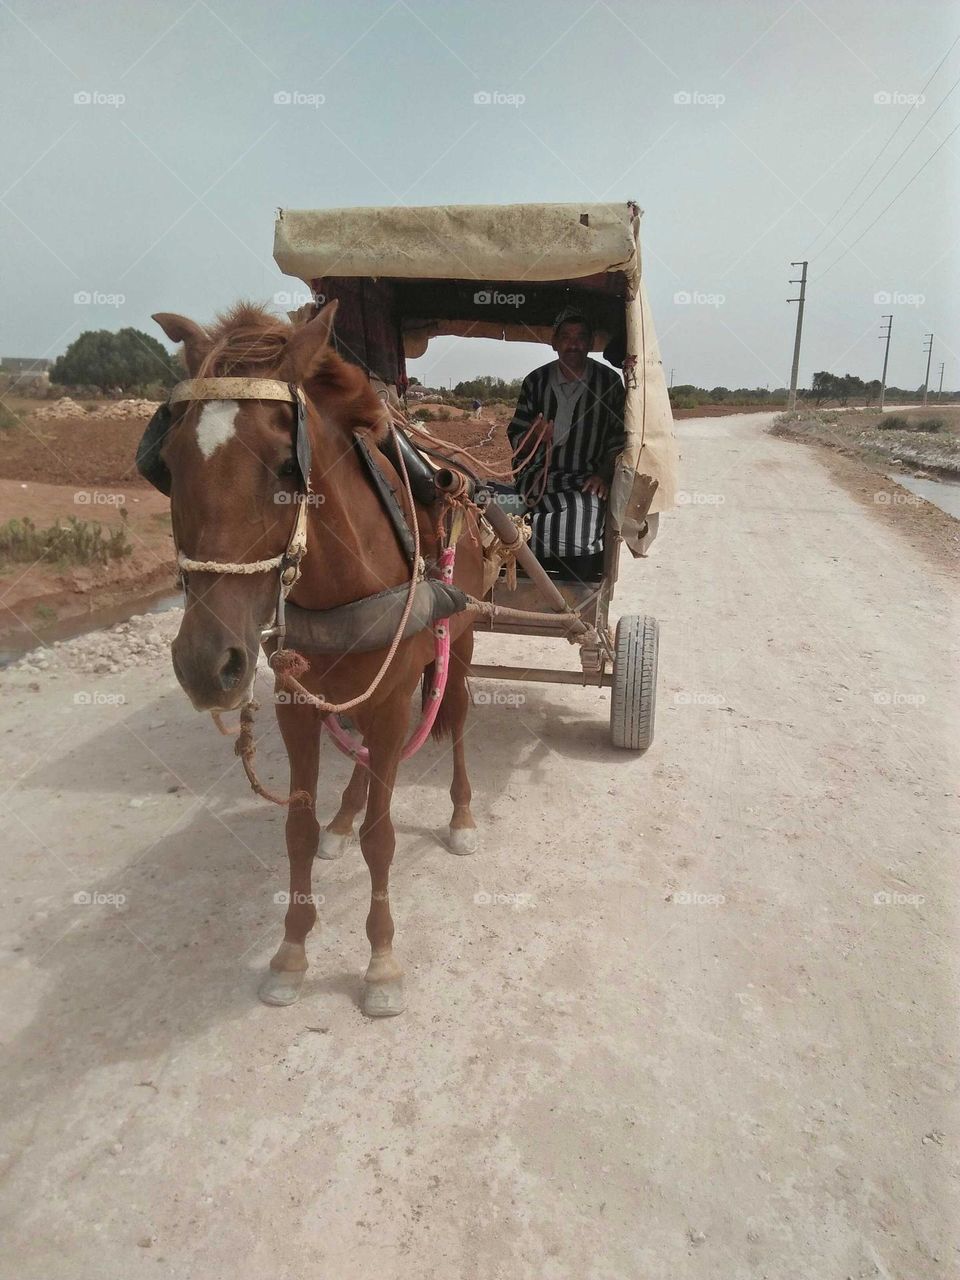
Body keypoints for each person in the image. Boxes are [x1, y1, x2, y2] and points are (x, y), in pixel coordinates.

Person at [506, 308, 625, 574]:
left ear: (591, 343)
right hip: (539, 478)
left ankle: (576, 588)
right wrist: (534, 436)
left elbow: (619, 439)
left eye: (581, 337)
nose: (573, 344)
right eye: (567, 337)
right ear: (555, 342)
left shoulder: (609, 383)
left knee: (585, 511)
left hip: (586, 477)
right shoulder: (535, 382)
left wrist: (604, 475)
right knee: (505, 519)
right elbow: (517, 438)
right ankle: (527, 578)